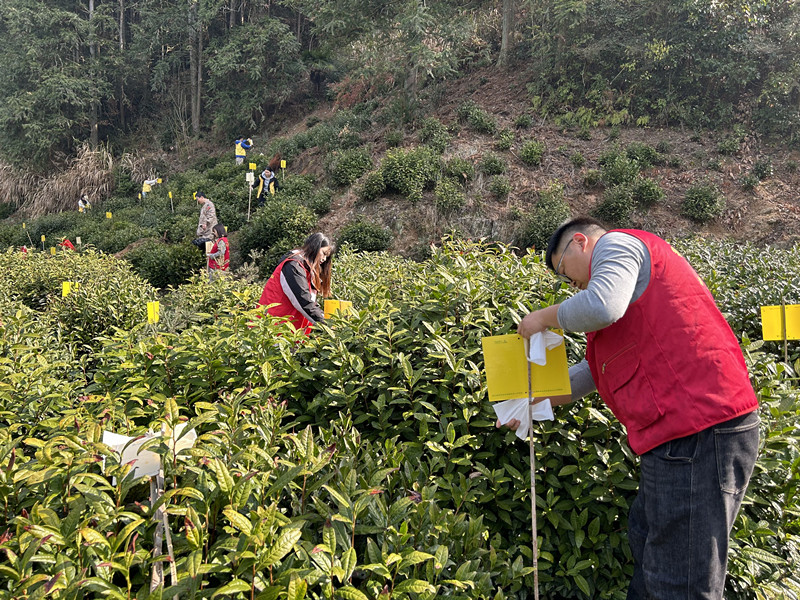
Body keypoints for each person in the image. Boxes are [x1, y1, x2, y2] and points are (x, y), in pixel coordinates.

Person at [499, 216, 759, 600]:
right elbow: (595, 370)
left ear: (579, 243)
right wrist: (530, 398)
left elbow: (602, 305)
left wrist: (543, 316)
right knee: (653, 551)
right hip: (680, 435)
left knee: (679, 581)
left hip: (698, 428)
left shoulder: (617, 246)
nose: (571, 285)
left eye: (564, 273)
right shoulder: (621, 298)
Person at [258, 232, 333, 334]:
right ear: (315, 246)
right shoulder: (293, 265)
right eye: (324, 253)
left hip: (288, 331)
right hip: (274, 330)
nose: (324, 259)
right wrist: (328, 325)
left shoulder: (306, 268)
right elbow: (303, 301)